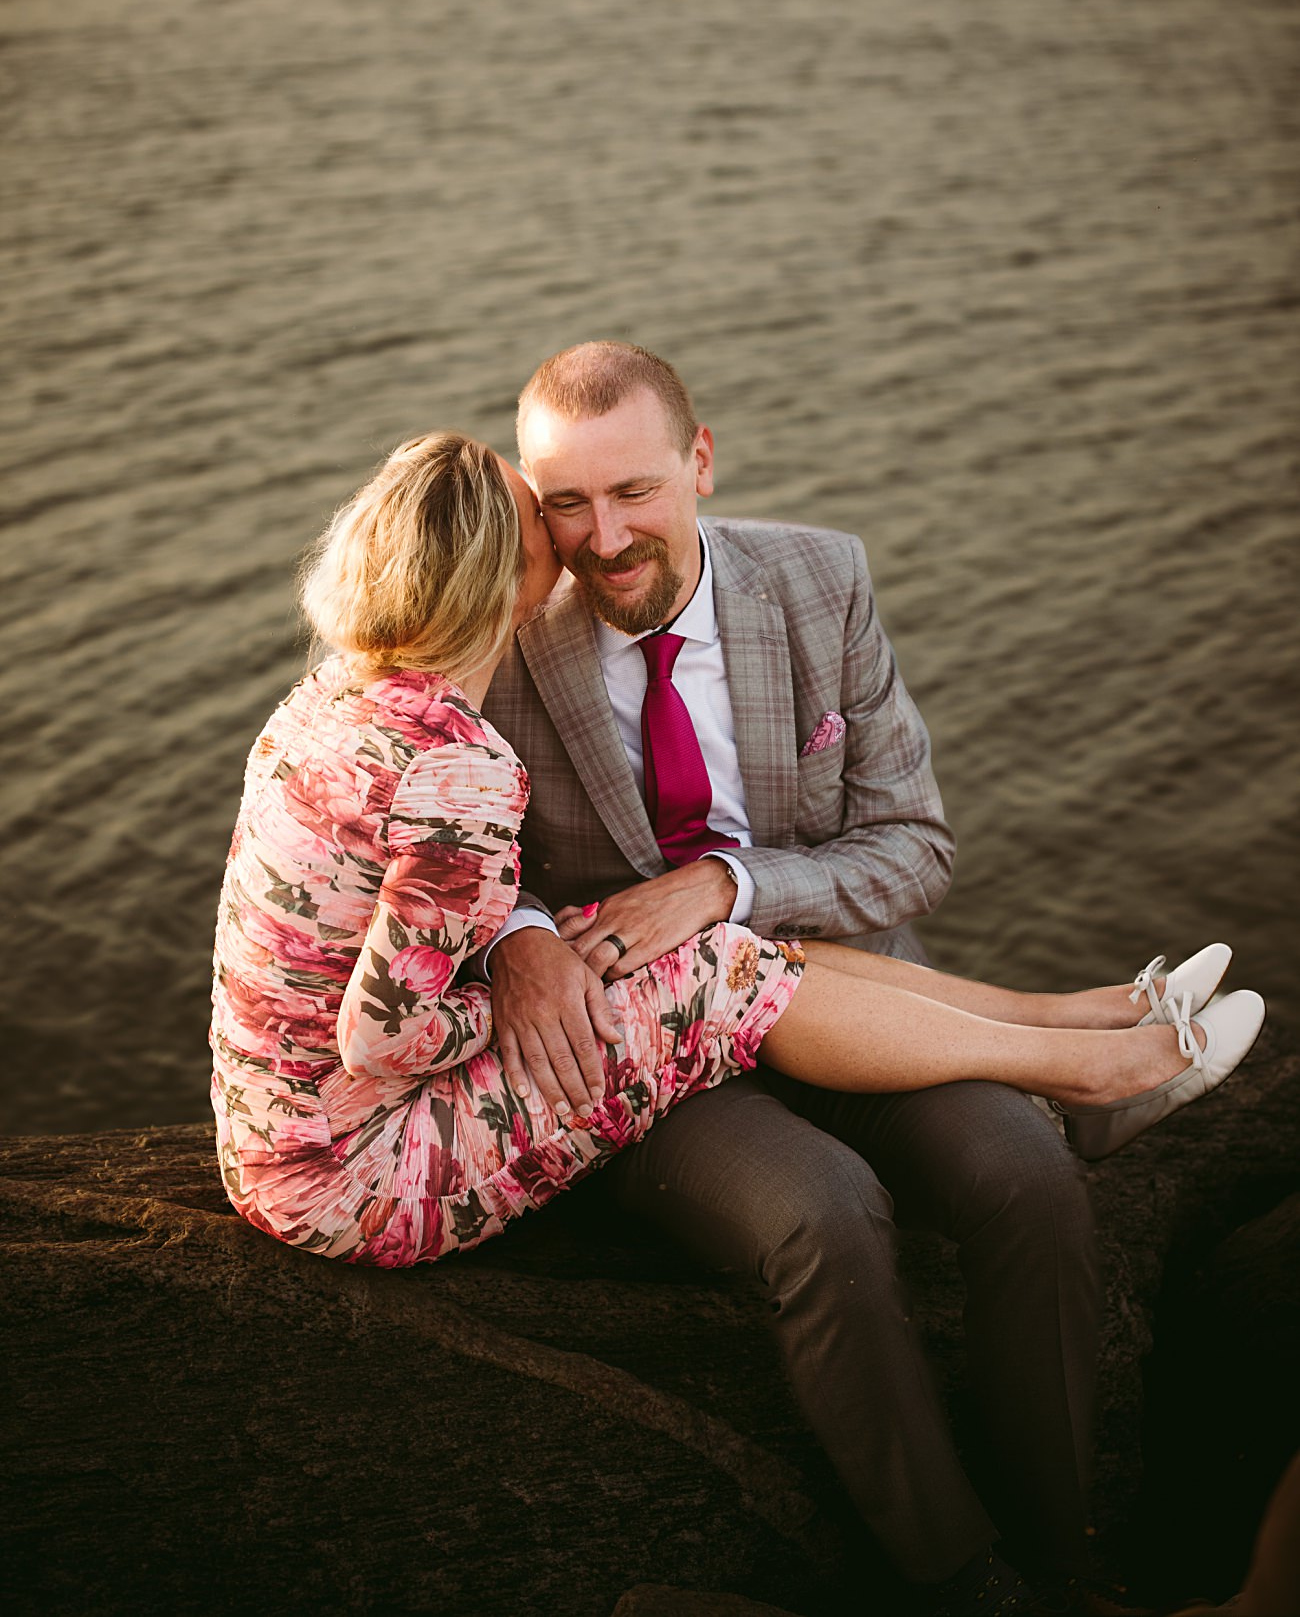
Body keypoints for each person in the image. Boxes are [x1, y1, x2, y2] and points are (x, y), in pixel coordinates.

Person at [210, 421, 1262, 1617]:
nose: (589, 543)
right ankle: (962, 1562)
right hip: (383, 1149)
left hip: (313, 1123)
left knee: (942, 1118)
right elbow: (387, 1022)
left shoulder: (326, 702)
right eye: (554, 516)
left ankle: (1084, 1040)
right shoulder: (468, 725)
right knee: (766, 1090)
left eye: (631, 491)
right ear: (506, 571)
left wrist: (662, 908)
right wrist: (519, 974)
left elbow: (913, 846)